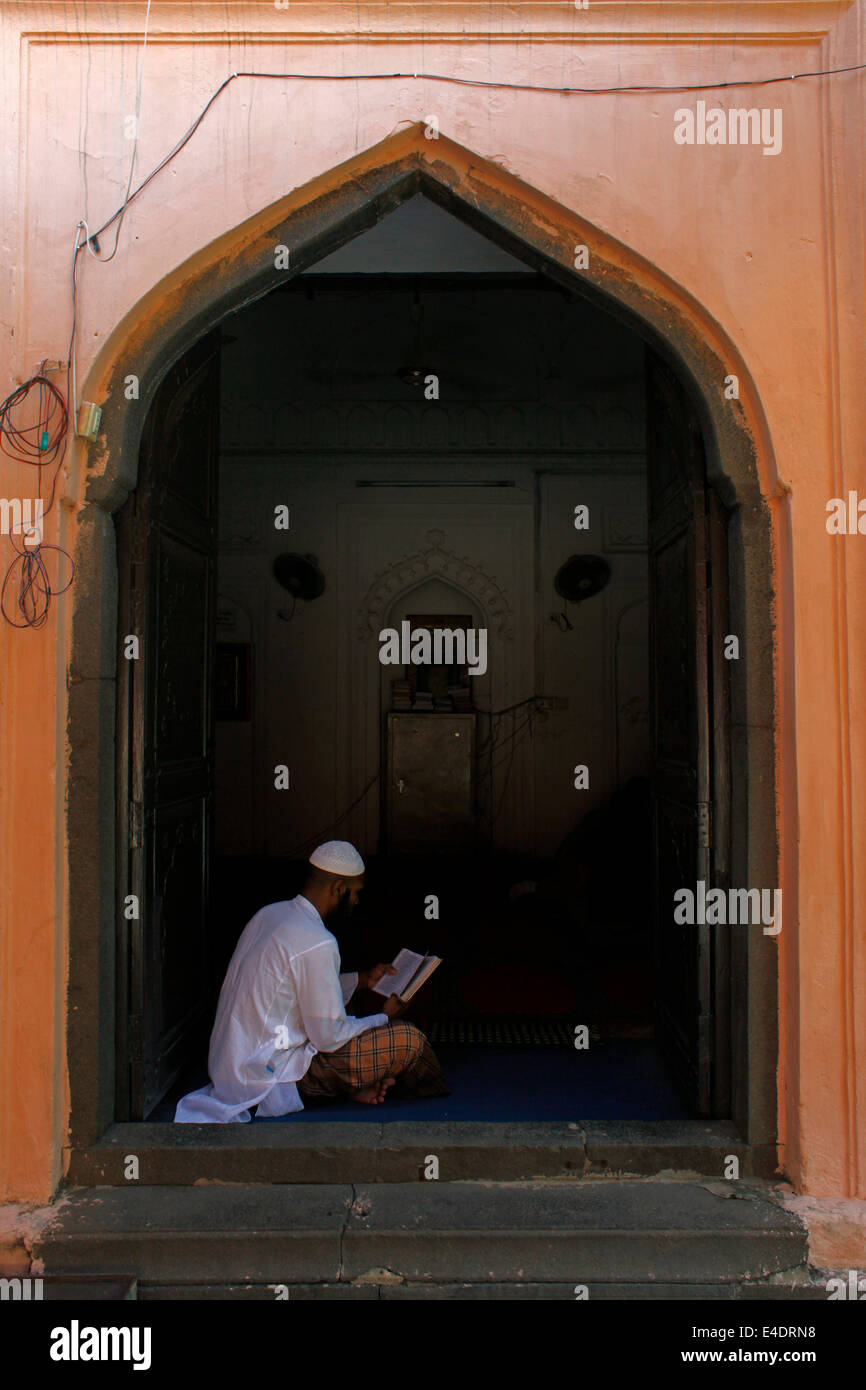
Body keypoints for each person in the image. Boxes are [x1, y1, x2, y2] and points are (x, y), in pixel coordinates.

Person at [174, 840, 448, 1122]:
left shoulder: (270, 914)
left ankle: (358, 1085)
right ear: (338, 889)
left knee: (349, 1008)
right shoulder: (319, 942)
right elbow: (328, 1038)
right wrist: (383, 1016)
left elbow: (296, 987)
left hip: (232, 1066)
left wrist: (364, 980)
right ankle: (428, 1104)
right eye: (355, 893)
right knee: (408, 1039)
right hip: (269, 1078)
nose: (356, 901)